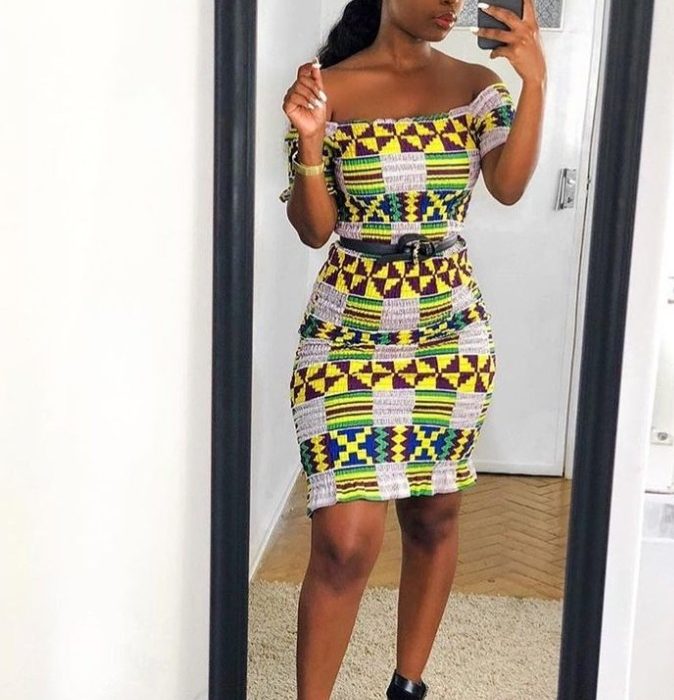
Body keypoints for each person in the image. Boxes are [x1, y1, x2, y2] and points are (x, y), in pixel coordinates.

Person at [279, 0, 546, 697]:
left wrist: (535, 80)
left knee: (432, 515)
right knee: (343, 542)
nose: (449, 3)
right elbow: (313, 230)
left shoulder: (476, 88)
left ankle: (408, 683)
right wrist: (311, 145)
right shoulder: (325, 88)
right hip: (346, 331)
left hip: (448, 330)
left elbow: (509, 186)